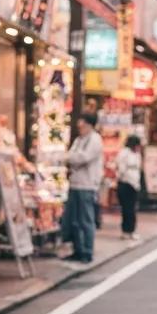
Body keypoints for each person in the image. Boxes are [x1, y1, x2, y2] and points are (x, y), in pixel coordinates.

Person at [63, 112, 103, 264]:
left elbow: (83, 157)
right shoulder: (79, 140)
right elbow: (72, 156)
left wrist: (69, 157)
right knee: (74, 219)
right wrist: (70, 157)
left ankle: (87, 251)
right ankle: (77, 250)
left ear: (89, 125)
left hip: (88, 185)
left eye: (83, 123)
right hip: (75, 183)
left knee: (86, 219)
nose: (79, 126)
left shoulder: (95, 139)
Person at [115, 134, 144, 242]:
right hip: (125, 183)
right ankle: (126, 230)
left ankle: (131, 230)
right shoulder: (124, 153)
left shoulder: (137, 154)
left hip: (134, 184)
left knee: (132, 209)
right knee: (126, 209)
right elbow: (121, 169)